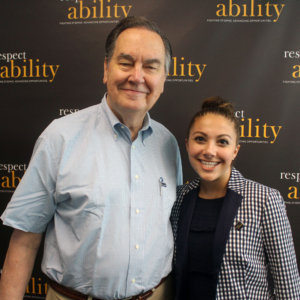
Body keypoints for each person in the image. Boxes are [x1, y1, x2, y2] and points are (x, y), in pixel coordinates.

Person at [0, 16, 182, 300]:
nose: (137, 76)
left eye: (151, 66)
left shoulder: (168, 144)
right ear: (106, 69)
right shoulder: (59, 138)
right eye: (126, 62)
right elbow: (24, 241)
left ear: (163, 79)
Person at [171, 96, 300, 299]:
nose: (209, 151)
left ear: (235, 151)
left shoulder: (265, 200)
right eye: (200, 139)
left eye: (222, 142)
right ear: (187, 145)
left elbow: (288, 287)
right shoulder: (178, 199)